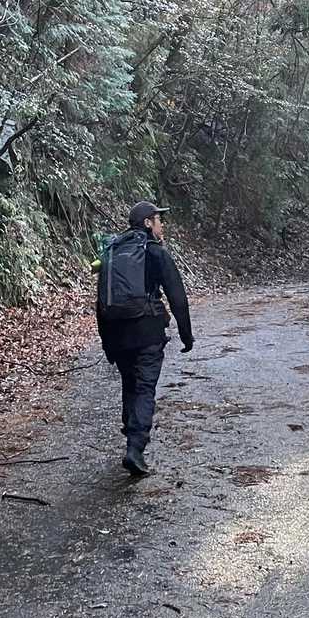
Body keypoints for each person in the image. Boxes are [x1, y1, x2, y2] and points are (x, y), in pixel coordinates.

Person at [96, 200, 193, 476]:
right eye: (159, 221)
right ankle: (135, 447)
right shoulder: (155, 252)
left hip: (117, 334)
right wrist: (186, 335)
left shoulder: (112, 252)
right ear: (148, 223)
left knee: (130, 382)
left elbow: (101, 302)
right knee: (145, 387)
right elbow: (177, 297)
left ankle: (131, 428)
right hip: (148, 332)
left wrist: (107, 342)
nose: (162, 226)